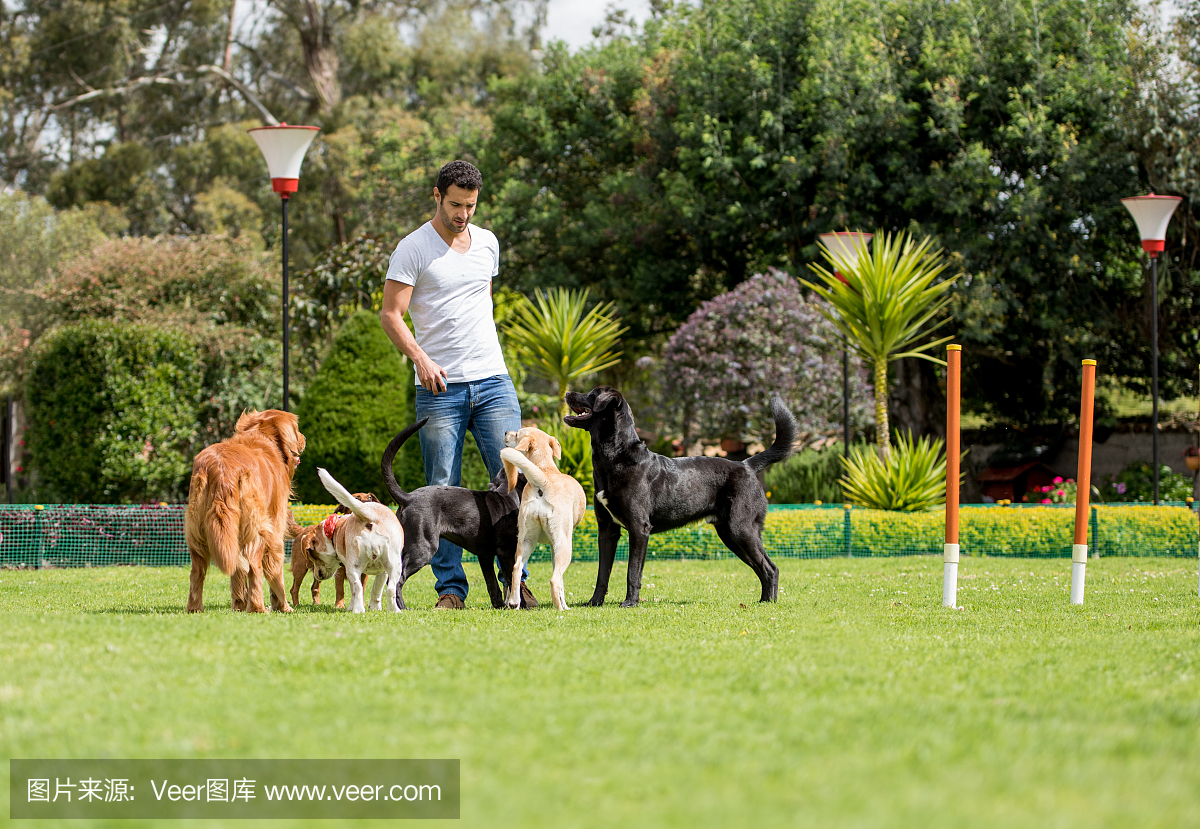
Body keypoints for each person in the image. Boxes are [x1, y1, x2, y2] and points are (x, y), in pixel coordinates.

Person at [380, 160, 537, 610]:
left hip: (494, 381)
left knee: (513, 484)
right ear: (436, 196)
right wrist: (421, 358)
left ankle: (515, 582)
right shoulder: (413, 248)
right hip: (440, 388)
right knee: (442, 488)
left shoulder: (488, 242)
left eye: (469, 205)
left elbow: (479, 300)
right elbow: (391, 315)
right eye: (454, 204)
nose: (462, 213)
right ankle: (451, 589)